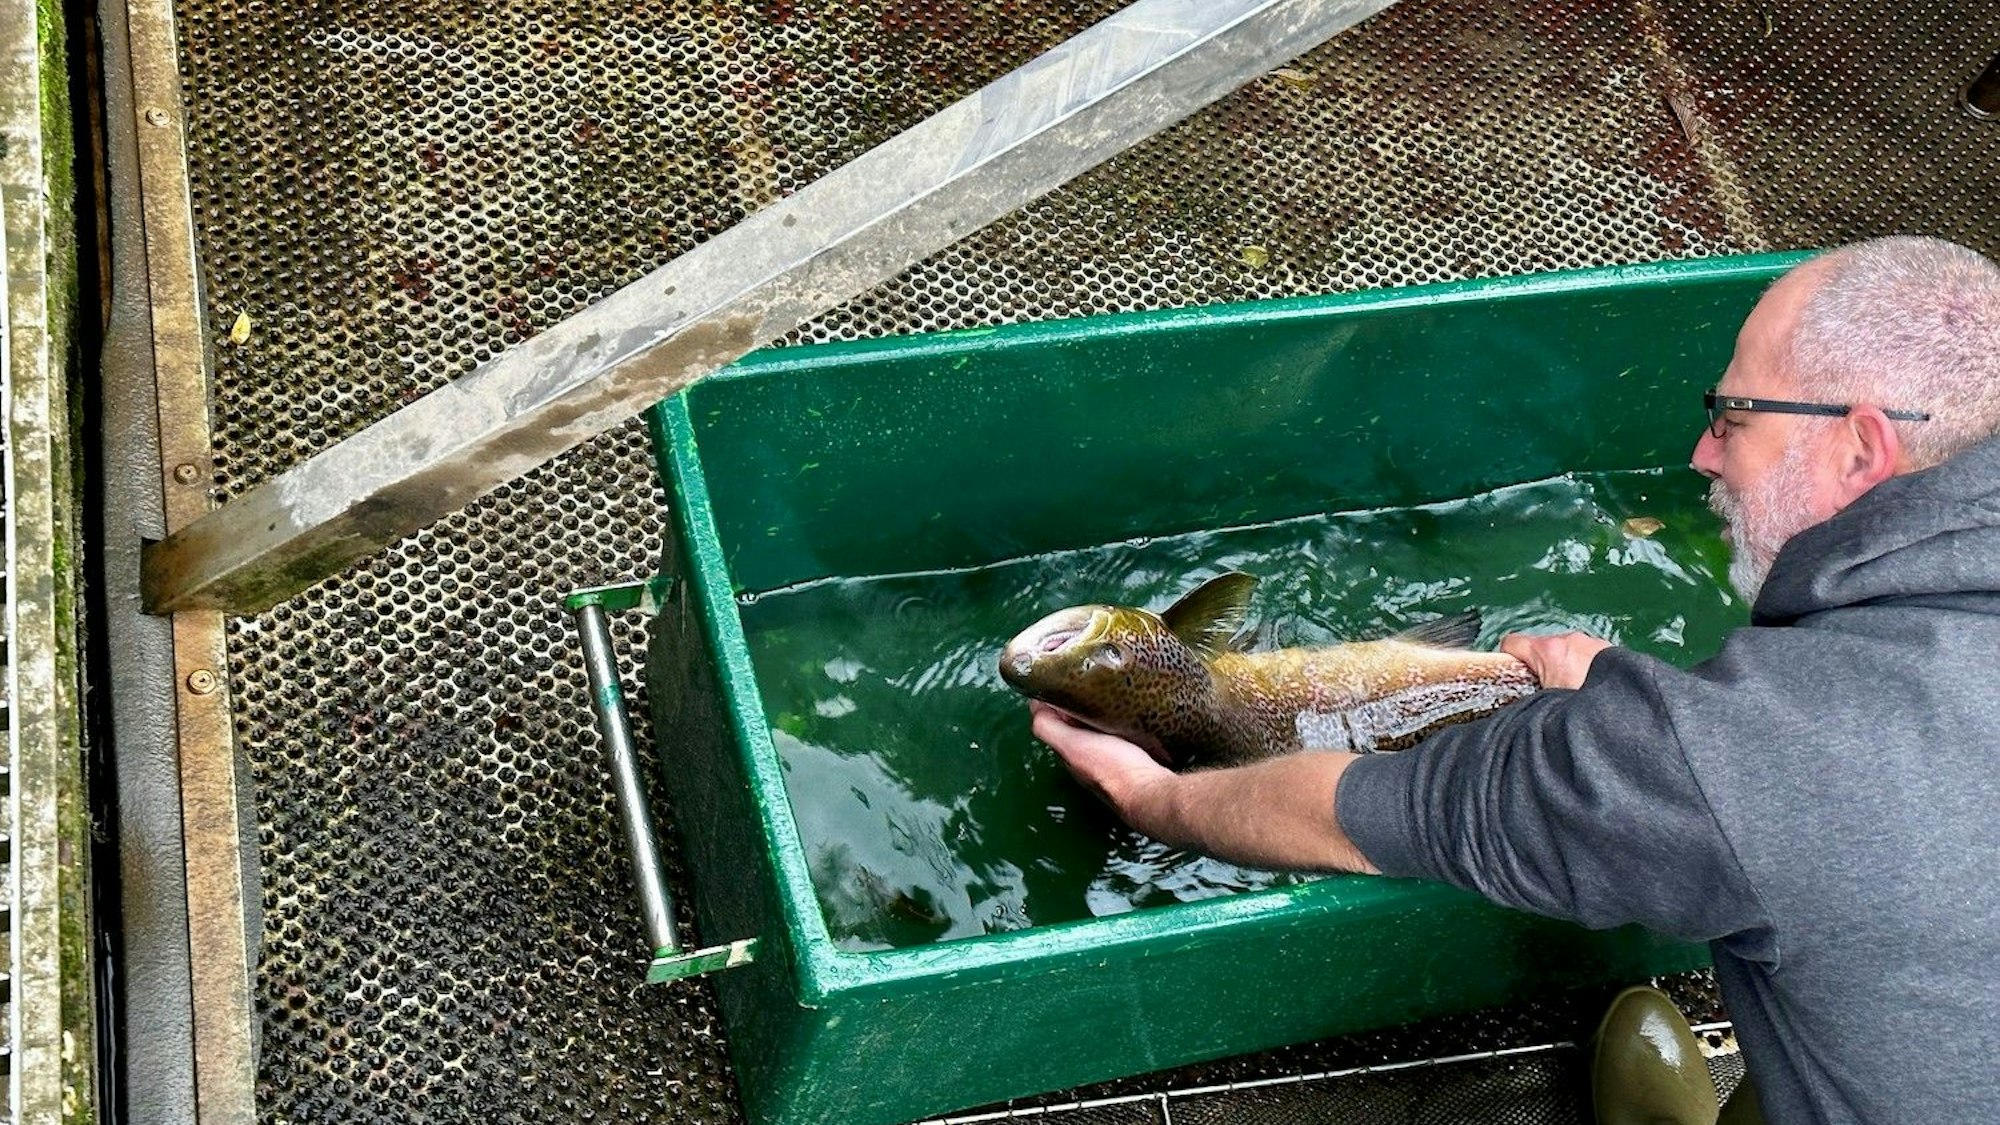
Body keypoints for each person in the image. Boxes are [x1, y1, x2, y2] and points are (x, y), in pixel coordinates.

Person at [1028, 236, 2000, 1125]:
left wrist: (1152, 794)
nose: (1701, 452)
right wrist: (1637, 705)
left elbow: (1362, 813)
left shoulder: (1746, 759)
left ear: (1859, 448)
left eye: (1732, 416)